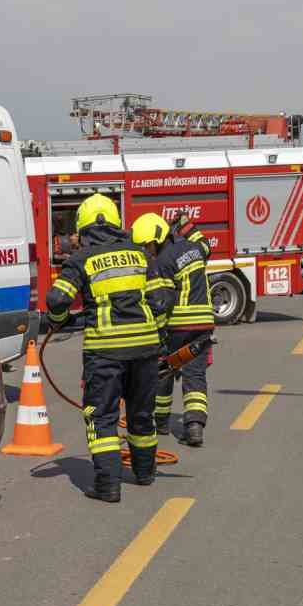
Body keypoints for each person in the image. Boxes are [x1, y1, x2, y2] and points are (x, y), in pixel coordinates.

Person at [43, 193, 162, 503]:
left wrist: (60, 320)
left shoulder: (81, 260)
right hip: (146, 349)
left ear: (84, 229)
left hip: (106, 351)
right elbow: (162, 301)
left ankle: (108, 486)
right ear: (115, 223)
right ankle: (145, 473)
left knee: (103, 417)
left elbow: (57, 300)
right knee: (141, 412)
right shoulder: (139, 255)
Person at [135, 212, 215, 447]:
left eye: (148, 246)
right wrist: (188, 226)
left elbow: (162, 304)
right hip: (203, 324)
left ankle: (160, 422)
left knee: (164, 372)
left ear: (157, 240)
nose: (147, 251)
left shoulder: (161, 263)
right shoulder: (196, 249)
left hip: (178, 325)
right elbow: (205, 244)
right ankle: (194, 428)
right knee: (195, 375)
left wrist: (157, 335)